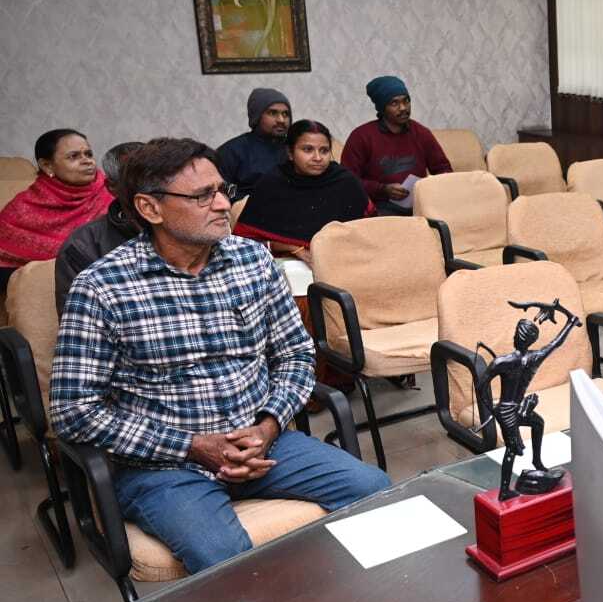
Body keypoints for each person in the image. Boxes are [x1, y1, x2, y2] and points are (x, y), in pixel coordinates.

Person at [48, 137, 390, 574]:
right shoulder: (102, 287)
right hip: (164, 466)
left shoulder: (253, 261)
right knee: (224, 557)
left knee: (376, 490)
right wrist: (193, 446)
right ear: (150, 208)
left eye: (222, 190)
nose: (223, 204)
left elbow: (296, 354)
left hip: (263, 443)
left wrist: (267, 426)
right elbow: (74, 411)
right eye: (201, 196)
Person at [233, 119, 373, 263]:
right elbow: (242, 246)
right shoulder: (273, 183)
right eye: (308, 150)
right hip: (283, 263)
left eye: (324, 151)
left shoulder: (345, 182)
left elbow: (368, 236)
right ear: (290, 153)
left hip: (340, 262)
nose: (318, 158)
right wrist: (290, 247)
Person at [0, 129, 112, 290]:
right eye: (74, 156)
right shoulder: (23, 207)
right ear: (47, 166)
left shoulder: (112, 192)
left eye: (88, 154)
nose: (87, 161)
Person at [54, 140, 144, 314]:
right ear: (112, 188)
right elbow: (80, 322)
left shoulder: (189, 229)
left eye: (162, 178)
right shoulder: (82, 245)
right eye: (138, 182)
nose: (155, 189)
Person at [340, 75, 451, 215]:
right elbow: (347, 182)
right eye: (394, 103)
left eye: (406, 101)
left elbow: (443, 169)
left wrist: (430, 188)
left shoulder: (421, 133)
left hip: (419, 205)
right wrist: (383, 189)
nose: (403, 108)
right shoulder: (361, 136)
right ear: (382, 108)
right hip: (380, 207)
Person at [217, 88, 291, 198]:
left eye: (285, 114)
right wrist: (243, 199)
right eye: (273, 113)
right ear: (257, 116)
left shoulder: (294, 148)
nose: (281, 120)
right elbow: (221, 186)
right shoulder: (232, 151)